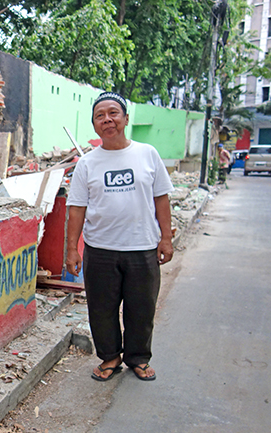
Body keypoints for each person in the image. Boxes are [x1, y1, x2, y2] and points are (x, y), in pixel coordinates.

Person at [65, 91, 174, 382]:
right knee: (102, 310)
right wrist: (72, 250)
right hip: (100, 249)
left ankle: (138, 358)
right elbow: (76, 209)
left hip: (142, 248)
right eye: (100, 116)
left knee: (141, 309)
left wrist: (166, 238)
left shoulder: (147, 154)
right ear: (94, 125)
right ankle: (110, 356)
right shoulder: (87, 164)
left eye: (113, 113)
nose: (107, 119)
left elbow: (162, 198)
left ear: (125, 119)